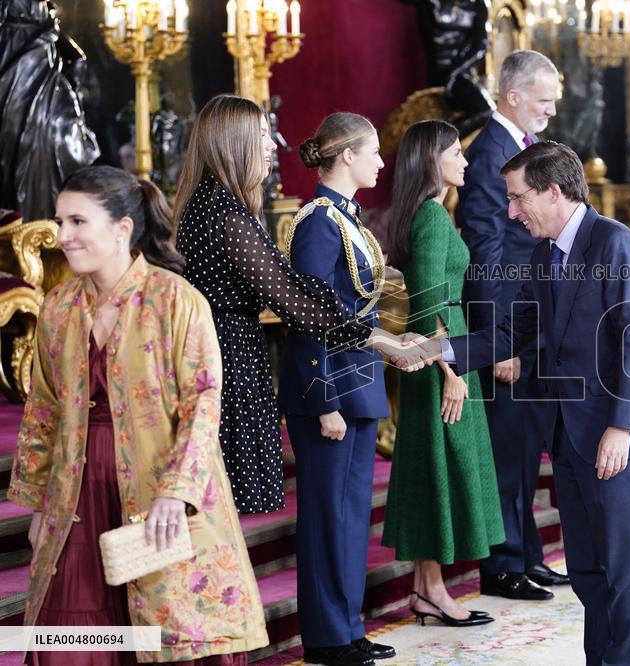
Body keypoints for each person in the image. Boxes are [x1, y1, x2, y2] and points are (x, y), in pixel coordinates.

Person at [418, 141, 630, 665]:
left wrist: (621, 429)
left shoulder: (615, 244)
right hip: (566, 433)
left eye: (517, 198)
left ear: (553, 192)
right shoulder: (542, 254)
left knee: (622, 568)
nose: (512, 211)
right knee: (584, 567)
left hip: (615, 432)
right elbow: (511, 333)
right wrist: (433, 349)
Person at [8, 165, 268, 664]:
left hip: (161, 490)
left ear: (122, 229)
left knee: (169, 626)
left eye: (77, 222)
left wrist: (177, 489)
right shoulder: (58, 308)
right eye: (60, 221)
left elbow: (204, 399)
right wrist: (40, 502)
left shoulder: (176, 300)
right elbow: (43, 407)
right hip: (76, 493)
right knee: (70, 638)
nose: (62, 236)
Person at [173, 94, 427, 515]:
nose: (273, 144)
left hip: (218, 348)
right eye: (260, 135)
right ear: (233, 142)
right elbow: (296, 301)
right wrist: (381, 341)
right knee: (217, 505)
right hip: (226, 357)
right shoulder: (226, 212)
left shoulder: (207, 204)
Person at [276, 113, 395, 666]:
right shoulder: (317, 223)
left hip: (360, 385)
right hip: (330, 394)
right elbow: (307, 318)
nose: (379, 161)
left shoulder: (346, 219)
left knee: (349, 520)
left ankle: (347, 629)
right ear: (345, 155)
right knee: (328, 518)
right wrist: (324, 401)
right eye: (372, 151)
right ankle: (327, 638)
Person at [456, 48, 569, 602]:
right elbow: (485, 254)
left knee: (527, 447)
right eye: (544, 100)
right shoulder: (489, 156)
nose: (551, 109)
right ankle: (502, 566)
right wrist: (496, 342)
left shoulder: (521, 148)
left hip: (528, 325)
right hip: (505, 331)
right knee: (507, 449)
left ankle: (527, 554)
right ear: (514, 95)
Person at [381, 119, 501, 628]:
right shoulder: (430, 216)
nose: (465, 161)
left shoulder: (431, 212)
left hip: (442, 351)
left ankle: (427, 589)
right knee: (438, 470)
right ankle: (431, 592)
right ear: (432, 160)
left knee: (439, 469)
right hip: (438, 359)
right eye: (456, 152)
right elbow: (429, 300)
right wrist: (452, 372)